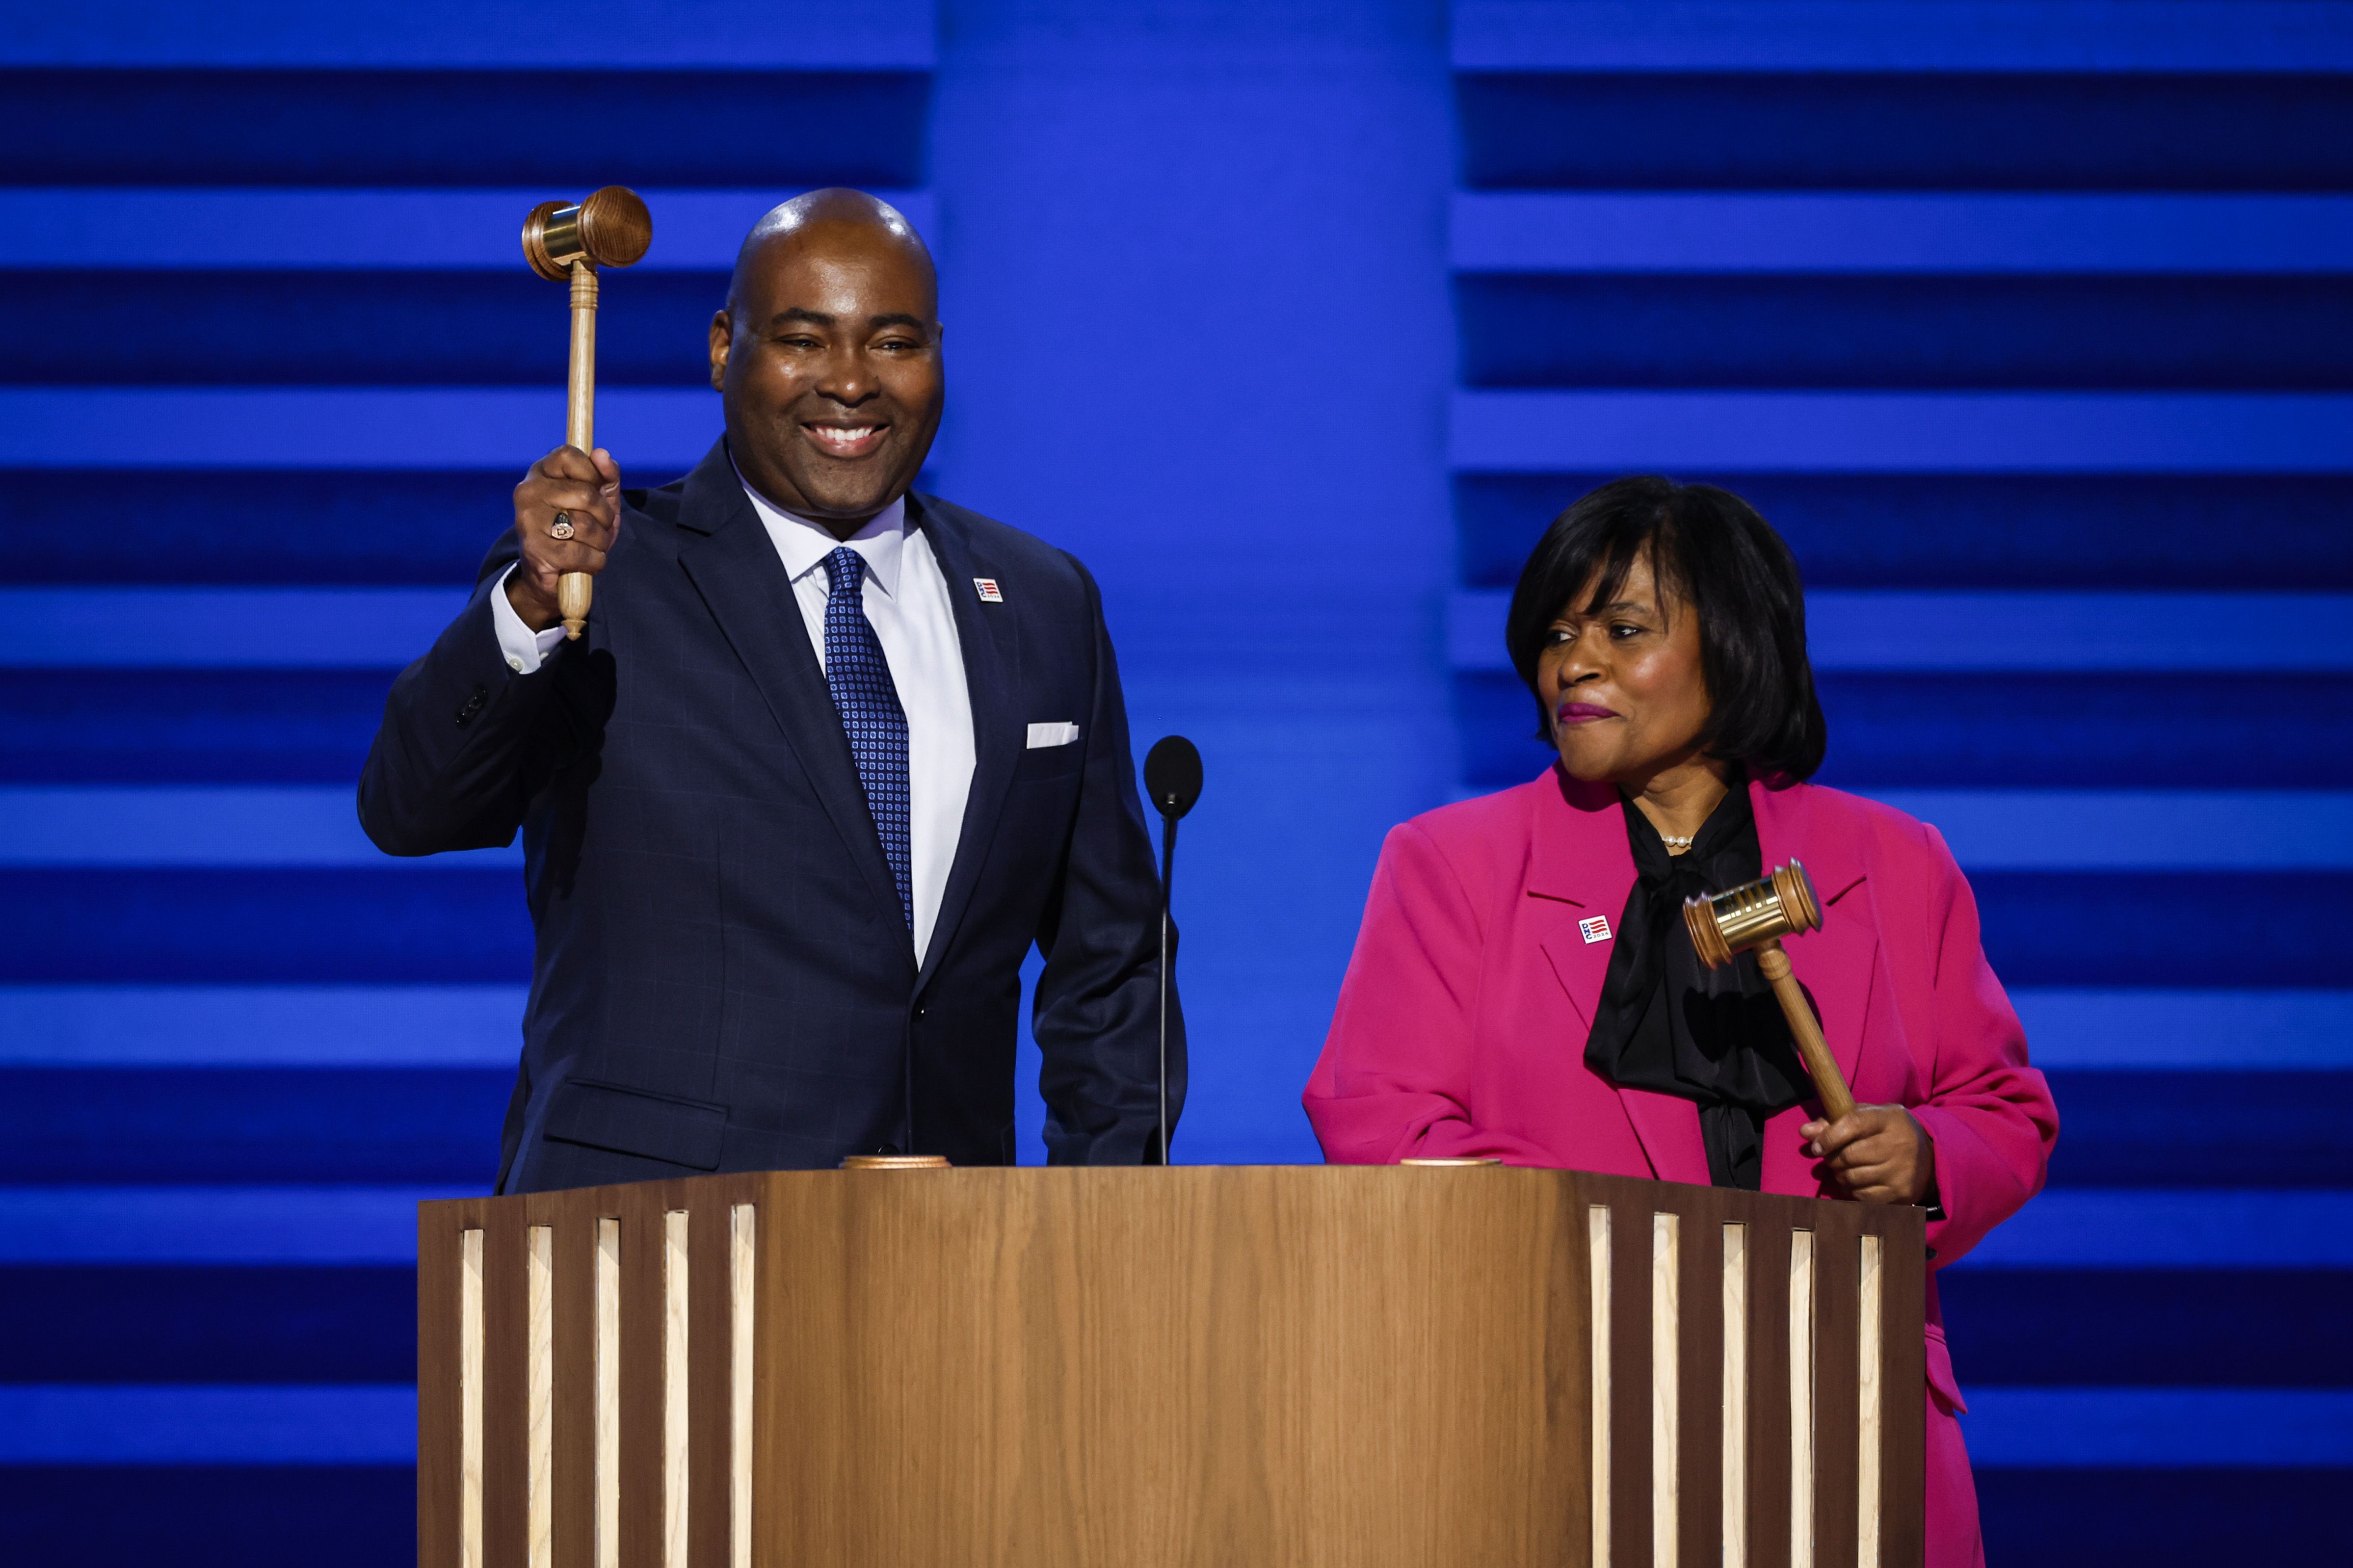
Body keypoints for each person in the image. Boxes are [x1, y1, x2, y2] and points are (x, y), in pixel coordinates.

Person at [1301, 476, 2055, 1567]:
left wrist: (1925, 1155)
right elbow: (1381, 1123)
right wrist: (1603, 1239)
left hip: (1844, 1422)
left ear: (1735, 643)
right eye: (1555, 633)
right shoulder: (1453, 863)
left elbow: (2004, 1108)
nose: (1576, 661)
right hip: (1572, 1413)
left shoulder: (1894, 862)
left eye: (1623, 628)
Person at [361, 189, 1180, 1190]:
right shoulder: (603, 578)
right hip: (652, 1245)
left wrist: (1097, 1225)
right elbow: (413, 807)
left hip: (951, 1256)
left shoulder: (1042, 601)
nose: (849, 382)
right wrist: (530, 599)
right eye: (802, 338)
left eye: (893, 342)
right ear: (721, 348)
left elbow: (1114, 961)